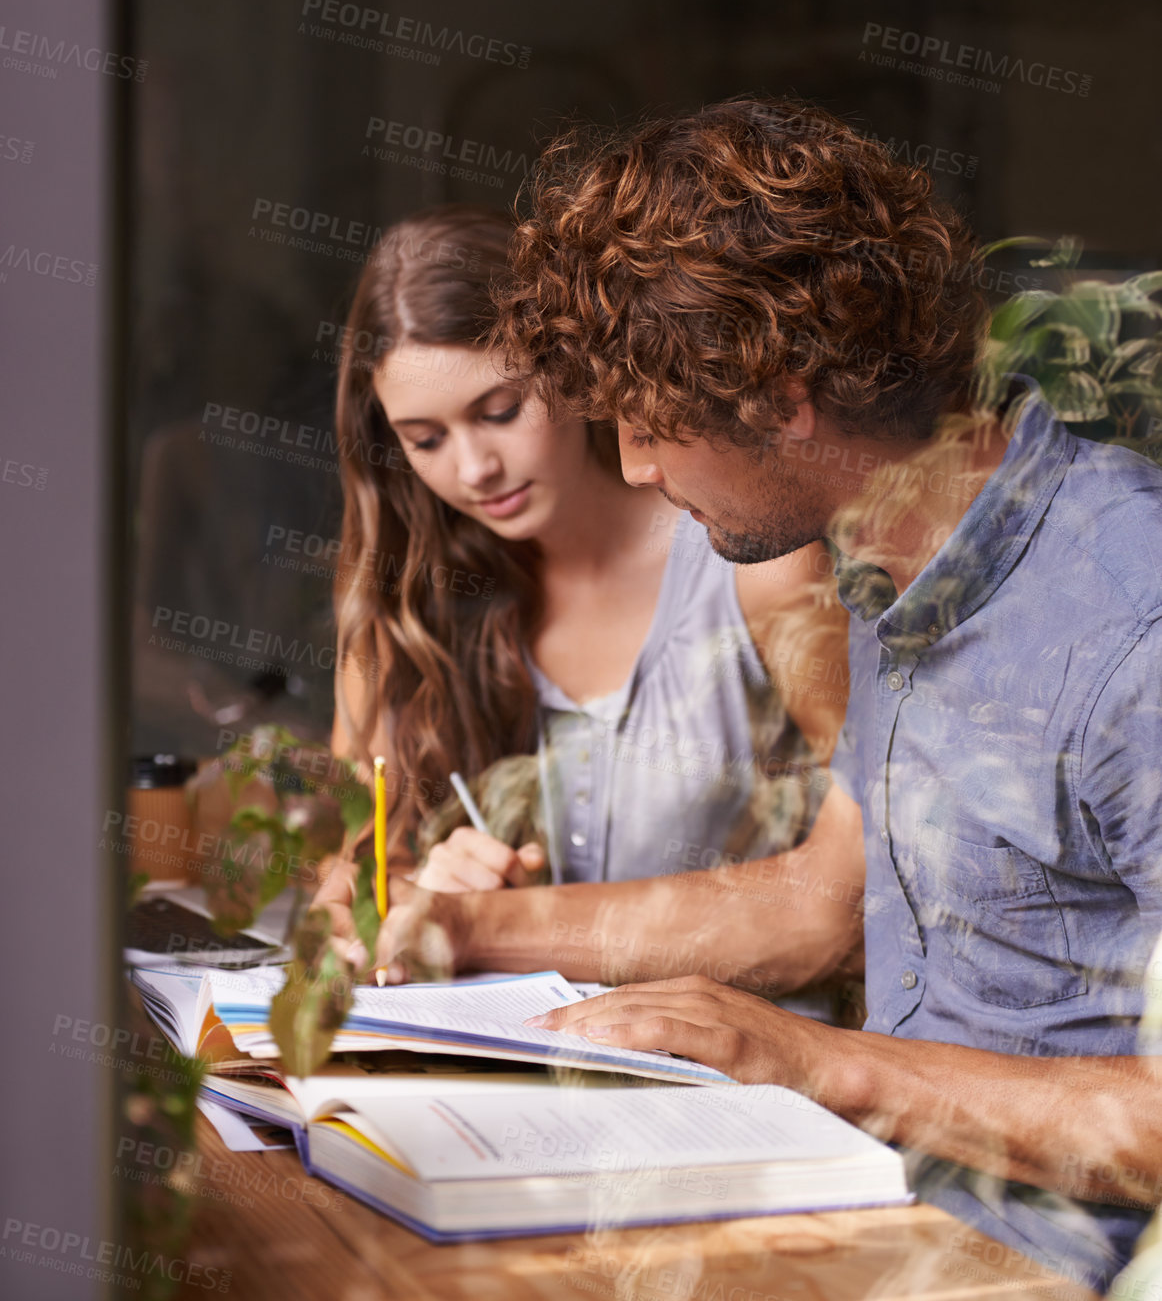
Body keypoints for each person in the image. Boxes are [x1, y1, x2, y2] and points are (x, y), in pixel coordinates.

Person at [352, 104, 1162, 1296]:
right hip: (858, 1201)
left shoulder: (1125, 630)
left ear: (785, 398)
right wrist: (466, 931)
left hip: (1013, 1262)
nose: (632, 465)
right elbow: (816, 902)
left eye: (648, 421)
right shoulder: (903, 559)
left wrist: (814, 1061)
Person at [318, 202, 846, 910]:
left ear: (570, 369)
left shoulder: (759, 565)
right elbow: (350, 886)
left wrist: (510, 926)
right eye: (425, 439)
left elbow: (874, 877)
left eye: (499, 412)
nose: (474, 469)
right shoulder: (403, 610)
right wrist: (425, 891)